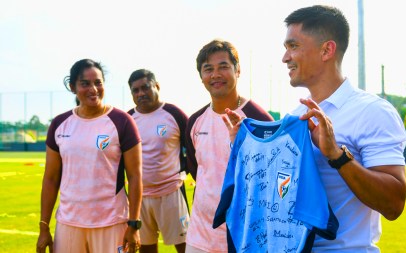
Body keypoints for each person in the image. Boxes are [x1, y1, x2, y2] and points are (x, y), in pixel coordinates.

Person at [224, 5, 406, 253]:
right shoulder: (294, 117)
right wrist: (247, 152)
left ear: (326, 50)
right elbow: (280, 194)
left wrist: (336, 155)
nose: (285, 57)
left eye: (293, 46)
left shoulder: (373, 112)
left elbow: (394, 204)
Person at [36, 59, 143, 253]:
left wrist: (134, 225)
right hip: (69, 223)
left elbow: (135, 176)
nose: (93, 89)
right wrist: (44, 227)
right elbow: (50, 178)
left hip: (111, 222)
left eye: (98, 82)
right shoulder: (60, 124)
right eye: (85, 84)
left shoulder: (122, 121)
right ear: (73, 87)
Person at [185, 39, 274, 253]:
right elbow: (199, 172)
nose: (215, 74)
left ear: (238, 70)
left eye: (223, 66)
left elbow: (270, 179)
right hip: (200, 237)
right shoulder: (195, 121)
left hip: (244, 237)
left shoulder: (259, 118)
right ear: (201, 76)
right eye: (208, 69)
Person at [127, 69, 190, 253]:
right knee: (146, 248)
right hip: (140, 196)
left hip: (171, 192)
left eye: (145, 88)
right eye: (135, 90)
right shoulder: (128, 119)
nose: (140, 94)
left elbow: (193, 150)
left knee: (185, 246)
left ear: (157, 86)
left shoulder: (174, 114)